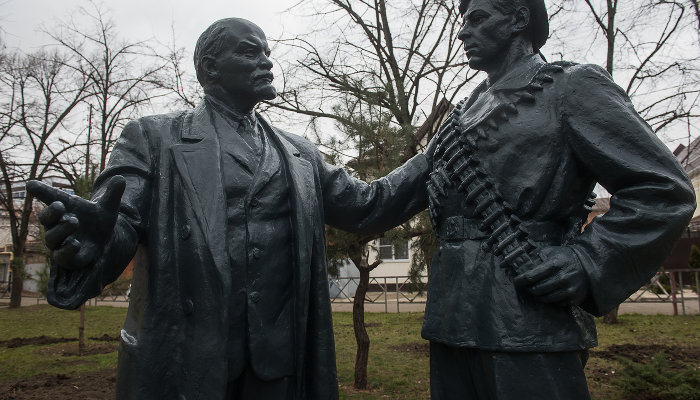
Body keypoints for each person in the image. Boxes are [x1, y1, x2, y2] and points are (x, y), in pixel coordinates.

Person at [27, 18, 431, 400]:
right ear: (211, 67)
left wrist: (432, 157)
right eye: (250, 52)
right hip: (189, 357)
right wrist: (90, 239)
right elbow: (118, 221)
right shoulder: (153, 137)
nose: (267, 60)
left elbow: (365, 205)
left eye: (267, 52)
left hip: (277, 362)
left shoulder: (300, 153)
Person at [420, 0, 695, 399]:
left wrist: (587, 259)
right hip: (450, 318)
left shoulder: (572, 86)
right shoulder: (460, 119)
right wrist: (299, 158)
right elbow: (379, 198)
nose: (462, 32)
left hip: (528, 313)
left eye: (478, 18)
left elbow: (662, 190)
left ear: (518, 19)